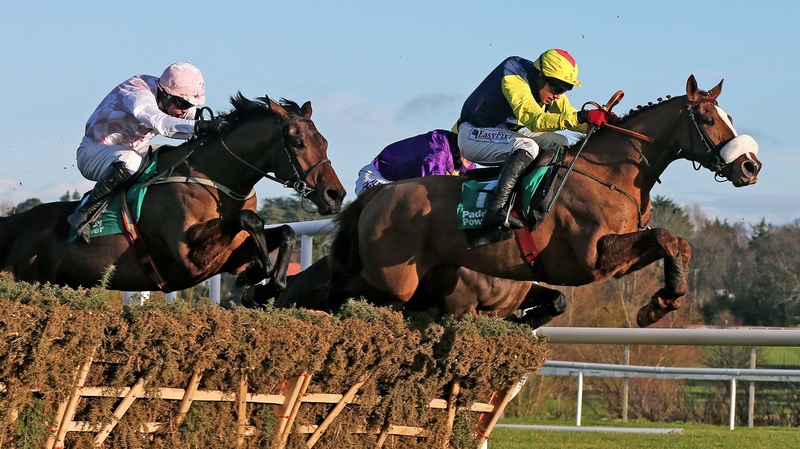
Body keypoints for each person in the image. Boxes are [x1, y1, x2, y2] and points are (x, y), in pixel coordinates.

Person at [68, 61, 231, 243]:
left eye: (189, 104)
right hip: (94, 153)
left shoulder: (171, 97)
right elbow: (162, 124)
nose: (185, 109)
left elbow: (192, 121)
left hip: (132, 149)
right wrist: (203, 126)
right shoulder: (136, 93)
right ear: (165, 94)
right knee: (131, 161)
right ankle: (84, 213)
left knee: (172, 156)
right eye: (182, 103)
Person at [456, 49, 615, 230]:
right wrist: (582, 116)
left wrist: (602, 124)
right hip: (473, 134)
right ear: (540, 75)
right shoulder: (513, 76)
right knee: (528, 145)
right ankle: (496, 208)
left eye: (564, 89)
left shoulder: (548, 87)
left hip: (504, 135)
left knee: (560, 143)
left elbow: (570, 116)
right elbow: (535, 121)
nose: (558, 95)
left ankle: (540, 199)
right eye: (556, 88)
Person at [355, 129, 475, 196]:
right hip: (375, 178)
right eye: (470, 145)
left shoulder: (468, 163)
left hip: (401, 185)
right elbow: (436, 184)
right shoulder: (439, 143)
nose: (473, 152)